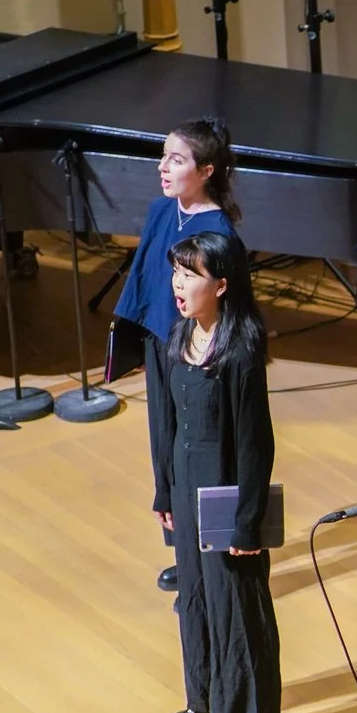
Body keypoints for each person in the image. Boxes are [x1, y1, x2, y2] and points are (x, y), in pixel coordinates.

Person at [148, 231, 279, 713]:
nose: (179, 284)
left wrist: (247, 525)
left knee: (237, 609)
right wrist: (163, 488)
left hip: (225, 490)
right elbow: (165, 422)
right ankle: (204, 699)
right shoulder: (177, 335)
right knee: (195, 598)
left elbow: (256, 445)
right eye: (176, 272)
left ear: (221, 285)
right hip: (184, 481)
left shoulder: (241, 350)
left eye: (191, 274)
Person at [111, 119, 241, 592]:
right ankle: (183, 550)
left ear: (206, 170)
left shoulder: (218, 232)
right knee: (164, 443)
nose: (163, 167)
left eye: (177, 160)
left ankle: (212, 557)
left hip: (198, 357)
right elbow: (146, 277)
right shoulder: (161, 210)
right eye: (163, 156)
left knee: (198, 452)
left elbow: (227, 309)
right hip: (161, 345)